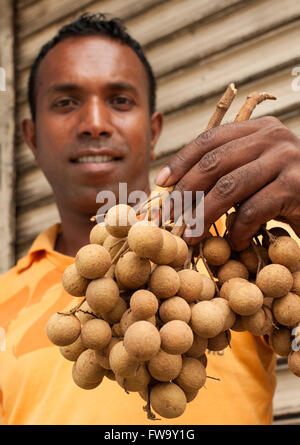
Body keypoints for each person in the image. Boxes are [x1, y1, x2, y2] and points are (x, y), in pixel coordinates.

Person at [0, 12, 299, 425]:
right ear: (30, 137)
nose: (95, 124)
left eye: (120, 100)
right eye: (66, 101)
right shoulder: (3, 303)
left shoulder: (238, 256)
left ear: (154, 128)